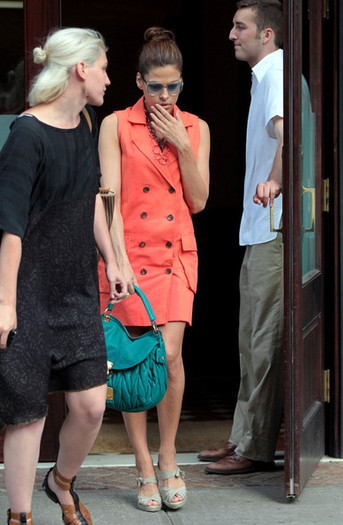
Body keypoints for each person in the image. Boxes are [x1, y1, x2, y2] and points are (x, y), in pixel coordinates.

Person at [0, 27, 128, 525]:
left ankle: (61, 482)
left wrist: (113, 260)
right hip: (28, 291)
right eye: (104, 67)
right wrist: (6, 305)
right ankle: (21, 516)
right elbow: (9, 228)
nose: (108, 78)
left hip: (76, 289)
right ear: (81, 70)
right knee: (27, 414)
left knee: (92, 405)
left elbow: (90, 198)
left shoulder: (86, 122)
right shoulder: (26, 135)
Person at [98, 27, 210, 511]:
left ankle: (168, 457)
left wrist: (181, 146)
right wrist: (115, 259)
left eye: (174, 86)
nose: (166, 96)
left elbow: (200, 201)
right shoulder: (115, 125)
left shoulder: (197, 127)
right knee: (133, 358)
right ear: (139, 82)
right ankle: (143, 465)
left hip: (175, 256)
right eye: (156, 86)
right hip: (128, 257)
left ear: (181, 84)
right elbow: (109, 198)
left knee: (168, 355)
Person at [198, 0, 284, 475]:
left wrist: (274, 182)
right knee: (250, 339)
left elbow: (286, 136)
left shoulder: (276, 73)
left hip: (274, 226)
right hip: (259, 227)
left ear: (266, 33)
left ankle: (254, 449)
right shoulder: (265, 75)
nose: (232, 34)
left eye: (240, 27)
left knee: (263, 338)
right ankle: (241, 438)